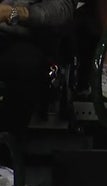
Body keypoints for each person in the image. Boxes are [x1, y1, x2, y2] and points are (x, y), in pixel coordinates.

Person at [0, 0, 74, 135]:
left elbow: (62, 9)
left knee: (25, 64)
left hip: (26, 39)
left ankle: (7, 140)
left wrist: (13, 13)